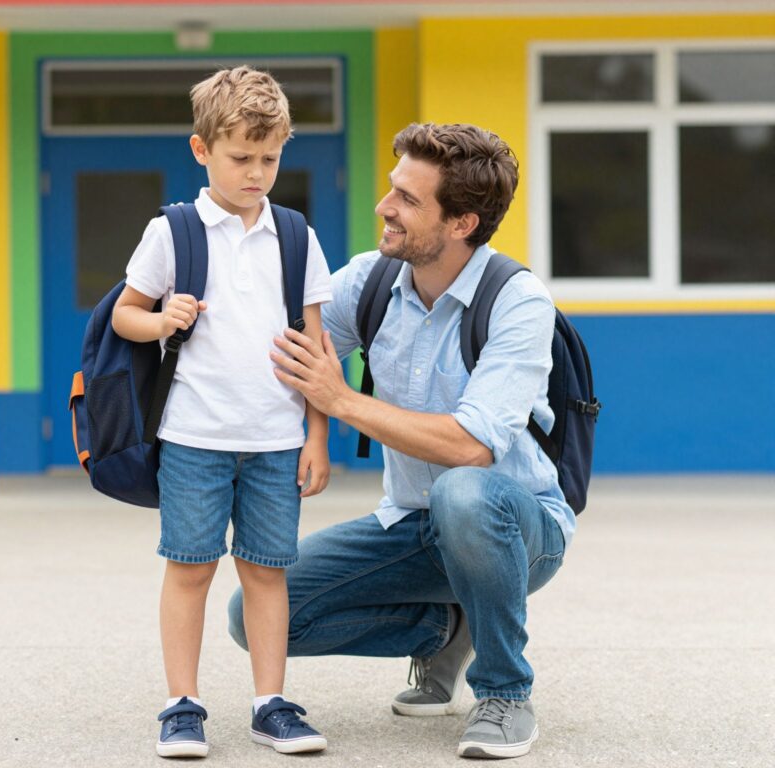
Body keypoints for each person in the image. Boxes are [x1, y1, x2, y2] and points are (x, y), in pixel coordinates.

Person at [228, 122, 573, 760]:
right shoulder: (371, 280)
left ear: (462, 223)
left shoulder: (518, 302)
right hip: (412, 525)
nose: (384, 206)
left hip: (519, 530)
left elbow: (471, 446)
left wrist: (342, 402)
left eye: (408, 199)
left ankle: (505, 692)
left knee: (464, 492)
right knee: (253, 616)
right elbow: (291, 357)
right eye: (393, 188)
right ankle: (446, 628)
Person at [111, 66, 332, 759]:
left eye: (270, 158)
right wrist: (162, 319)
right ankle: (182, 705)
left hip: (275, 440)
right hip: (194, 438)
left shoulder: (295, 236)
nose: (257, 173)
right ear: (202, 150)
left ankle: (271, 704)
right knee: (190, 568)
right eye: (242, 158)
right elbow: (124, 315)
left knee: (266, 571)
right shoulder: (172, 232)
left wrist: (317, 434)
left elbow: (316, 346)